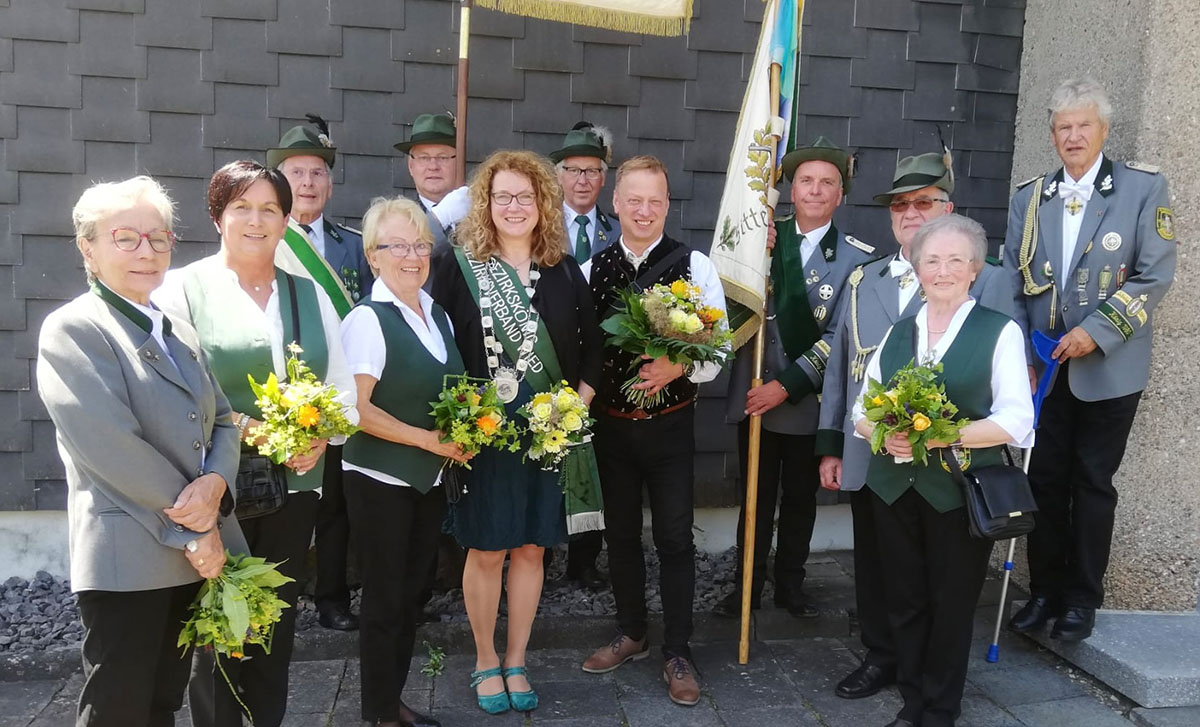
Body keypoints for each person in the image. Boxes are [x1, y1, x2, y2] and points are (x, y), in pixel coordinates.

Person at [37, 176, 246, 726]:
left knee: (161, 704)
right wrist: (198, 527)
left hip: (184, 557)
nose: (146, 252)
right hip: (128, 558)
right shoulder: (73, 329)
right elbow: (111, 448)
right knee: (119, 709)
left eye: (159, 238)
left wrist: (218, 484)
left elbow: (223, 420)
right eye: (125, 238)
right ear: (89, 247)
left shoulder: (175, 328)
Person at [155, 160, 357, 727]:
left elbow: (341, 391)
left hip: (296, 484)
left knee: (276, 623)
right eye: (241, 206)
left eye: (270, 208)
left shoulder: (308, 294)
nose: (256, 219)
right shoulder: (182, 291)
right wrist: (249, 428)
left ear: (287, 219)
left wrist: (319, 435)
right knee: (219, 625)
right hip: (217, 489)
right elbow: (172, 395)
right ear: (218, 216)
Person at [815, 149, 1014, 699]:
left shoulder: (989, 282)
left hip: (952, 468)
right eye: (900, 205)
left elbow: (1005, 371)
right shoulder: (864, 277)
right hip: (876, 451)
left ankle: (929, 679)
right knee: (882, 569)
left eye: (923, 202)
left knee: (938, 580)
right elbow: (842, 368)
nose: (910, 213)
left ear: (947, 209)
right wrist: (832, 443)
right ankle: (883, 658)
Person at [429, 150, 603, 715]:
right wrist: (456, 417)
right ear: (486, 203)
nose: (513, 206)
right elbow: (435, 344)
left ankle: (517, 658)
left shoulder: (562, 269)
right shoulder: (458, 265)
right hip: (486, 435)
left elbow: (595, 348)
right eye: (501, 196)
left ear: (542, 204)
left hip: (547, 435)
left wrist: (576, 404)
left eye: (524, 197)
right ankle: (483, 658)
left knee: (530, 549)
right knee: (486, 549)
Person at [1002, 78, 1176, 642]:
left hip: (1109, 368)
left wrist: (1096, 333)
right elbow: (1010, 279)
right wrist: (1018, 354)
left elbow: (1154, 275)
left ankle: (1082, 599)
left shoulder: (1141, 189)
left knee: (1092, 481)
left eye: (1084, 125)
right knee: (1044, 481)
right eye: (1063, 127)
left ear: (1103, 130)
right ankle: (1045, 590)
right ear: (1052, 135)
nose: (1073, 136)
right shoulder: (1030, 198)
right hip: (1043, 368)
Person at [852, 214, 1034, 727]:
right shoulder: (897, 332)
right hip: (893, 489)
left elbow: (1017, 419)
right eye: (932, 259)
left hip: (957, 493)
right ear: (917, 266)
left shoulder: (999, 332)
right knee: (904, 602)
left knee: (950, 605)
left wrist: (946, 435)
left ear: (975, 268)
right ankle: (912, 702)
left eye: (956, 259)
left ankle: (940, 710)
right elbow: (859, 414)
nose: (944, 269)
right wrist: (888, 432)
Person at [579, 155, 728, 707]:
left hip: (668, 427)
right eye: (633, 200)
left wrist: (679, 365)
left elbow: (719, 349)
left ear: (668, 205)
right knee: (618, 535)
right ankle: (632, 633)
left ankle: (679, 651)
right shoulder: (592, 269)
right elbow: (583, 351)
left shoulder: (695, 265)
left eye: (655, 202)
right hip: (611, 429)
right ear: (614, 203)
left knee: (672, 538)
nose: (644, 211)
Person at [718, 136, 876, 621]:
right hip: (754, 394)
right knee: (755, 498)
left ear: (840, 195)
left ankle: (791, 584)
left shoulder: (857, 257)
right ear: (791, 189)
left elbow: (843, 334)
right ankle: (746, 583)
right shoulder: (761, 239)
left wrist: (785, 385)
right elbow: (724, 306)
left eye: (827, 182)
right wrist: (750, 257)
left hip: (808, 402)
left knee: (801, 499)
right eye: (806, 180)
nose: (814, 189)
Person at [340, 196, 471, 727]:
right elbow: (355, 410)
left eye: (421, 245)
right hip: (380, 481)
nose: (413, 255)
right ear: (374, 256)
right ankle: (377, 714)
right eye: (398, 246)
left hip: (425, 479)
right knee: (385, 602)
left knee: (409, 598)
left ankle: (391, 701)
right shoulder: (367, 320)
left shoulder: (434, 312)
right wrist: (427, 440)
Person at [269, 114, 369, 633]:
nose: (307, 184)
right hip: (282, 391)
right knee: (282, 504)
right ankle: (273, 597)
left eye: (317, 174)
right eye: (296, 173)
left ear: (329, 183)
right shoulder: (265, 237)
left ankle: (331, 598)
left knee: (335, 505)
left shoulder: (353, 245)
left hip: (340, 391)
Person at [544, 120, 623, 589]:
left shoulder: (617, 231)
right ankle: (538, 553)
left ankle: (584, 559)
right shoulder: (540, 230)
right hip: (549, 360)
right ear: (558, 175)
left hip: (605, 368)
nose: (583, 180)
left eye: (593, 170)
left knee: (595, 463)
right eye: (574, 170)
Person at [395, 112, 466, 253]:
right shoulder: (395, 218)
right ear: (411, 166)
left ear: (459, 163)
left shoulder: (482, 215)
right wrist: (439, 218)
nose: (433, 166)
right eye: (424, 158)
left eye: (443, 157)